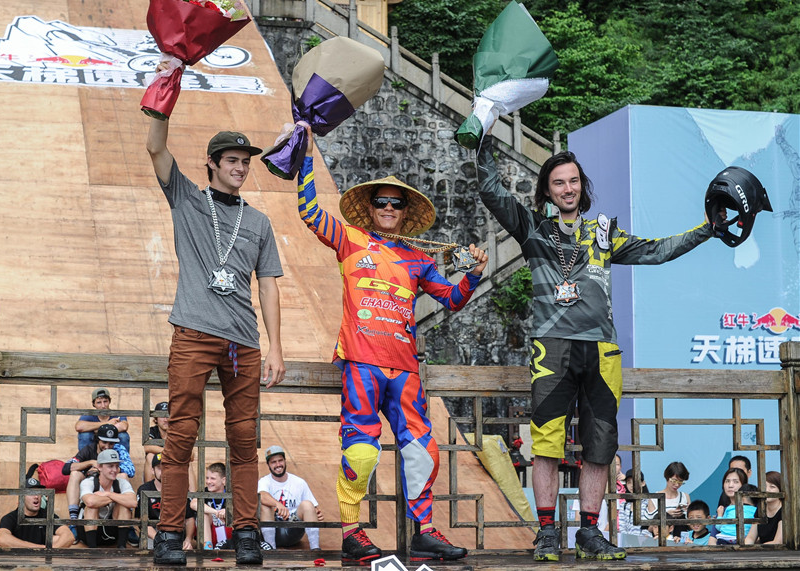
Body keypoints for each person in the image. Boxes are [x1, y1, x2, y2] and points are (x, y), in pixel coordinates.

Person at [476, 140, 716, 562]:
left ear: (581, 187)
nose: (567, 189)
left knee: (600, 446)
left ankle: (589, 532)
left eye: (573, 181)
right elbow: (493, 191)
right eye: (558, 183)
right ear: (547, 191)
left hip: (602, 352)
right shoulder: (532, 228)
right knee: (547, 445)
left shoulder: (604, 235)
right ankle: (547, 532)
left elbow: (656, 251)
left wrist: (706, 230)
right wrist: (483, 141)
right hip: (551, 349)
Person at [297, 128, 488, 563]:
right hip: (361, 364)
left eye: (395, 204)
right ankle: (350, 532)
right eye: (380, 202)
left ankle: (424, 531)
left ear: (405, 213)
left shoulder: (419, 259)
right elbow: (309, 210)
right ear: (370, 209)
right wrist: (307, 159)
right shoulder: (349, 238)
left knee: (423, 450)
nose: (387, 208)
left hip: (405, 369)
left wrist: (474, 274)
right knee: (361, 452)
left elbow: (452, 300)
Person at [146, 83, 286, 566]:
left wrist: (276, 348)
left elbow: (268, 285)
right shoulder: (185, 198)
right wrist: (164, 93)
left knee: (244, 439)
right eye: (231, 159)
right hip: (193, 332)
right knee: (180, 433)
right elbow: (155, 147)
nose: (240, 167)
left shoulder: (261, 222)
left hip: (243, 343)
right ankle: (168, 535)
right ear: (212, 162)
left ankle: (246, 534)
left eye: (246, 161)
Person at [63, 423, 134, 535]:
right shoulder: (89, 449)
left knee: (124, 476)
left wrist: (106, 469)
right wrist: (91, 463)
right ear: (97, 440)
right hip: (91, 485)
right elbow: (66, 468)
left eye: (111, 443)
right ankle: (73, 520)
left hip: (111, 487)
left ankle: (127, 524)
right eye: (104, 442)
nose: (107, 446)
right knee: (75, 474)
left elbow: (131, 470)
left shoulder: (119, 449)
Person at [257, 446, 324, 551]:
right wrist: (277, 504)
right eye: (273, 462)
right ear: (268, 465)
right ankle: (270, 549)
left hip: (294, 529)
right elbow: (262, 495)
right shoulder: (264, 481)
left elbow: (313, 507)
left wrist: (315, 512)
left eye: (280, 460)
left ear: (285, 461)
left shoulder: (299, 482)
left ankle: (315, 549)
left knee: (307, 504)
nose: (278, 465)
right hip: (274, 529)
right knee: (265, 505)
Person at [77, 449, 137, 548]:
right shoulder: (89, 482)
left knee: (124, 506)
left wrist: (108, 494)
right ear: (99, 467)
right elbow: (90, 502)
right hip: (88, 532)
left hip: (112, 532)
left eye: (117, 466)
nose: (115, 470)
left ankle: (122, 546)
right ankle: (92, 549)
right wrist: (117, 497)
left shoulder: (121, 482)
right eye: (110, 466)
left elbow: (133, 502)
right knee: (92, 507)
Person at [136, 453, 197, 549]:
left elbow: (189, 518)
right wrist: (158, 538)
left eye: (166, 468)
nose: (164, 472)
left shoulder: (180, 488)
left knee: (185, 551)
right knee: (150, 551)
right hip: (153, 532)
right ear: (152, 470)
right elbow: (141, 521)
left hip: (175, 531)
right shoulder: (144, 489)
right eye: (159, 468)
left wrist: (188, 539)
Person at [0, 476, 75, 549]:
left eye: (38, 492)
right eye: (31, 493)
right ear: (21, 498)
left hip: (43, 561)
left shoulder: (47, 515)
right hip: (19, 561)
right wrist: (39, 548)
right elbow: (1, 539)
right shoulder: (11, 517)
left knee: (57, 539)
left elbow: (69, 536)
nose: (36, 496)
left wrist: (49, 552)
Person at [76, 387, 130, 452]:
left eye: (105, 401)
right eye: (99, 402)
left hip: (112, 444)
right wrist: (108, 423)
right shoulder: (89, 415)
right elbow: (79, 427)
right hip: (95, 447)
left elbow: (123, 427)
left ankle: (123, 461)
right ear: (93, 404)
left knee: (123, 436)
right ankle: (86, 461)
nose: (103, 406)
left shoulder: (116, 413)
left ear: (109, 401)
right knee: (85, 435)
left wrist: (96, 429)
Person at [192, 462, 231, 550]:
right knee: (203, 513)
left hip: (227, 534)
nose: (208, 481)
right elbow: (193, 503)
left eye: (212, 478)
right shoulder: (204, 491)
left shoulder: (230, 492)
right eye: (207, 478)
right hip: (210, 534)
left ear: (224, 480)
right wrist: (215, 512)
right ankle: (207, 549)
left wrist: (228, 512)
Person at [650, 461, 691, 539]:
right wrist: (666, 515)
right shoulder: (655, 498)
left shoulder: (685, 497)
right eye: (674, 481)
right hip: (658, 541)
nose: (677, 485)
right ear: (667, 477)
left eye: (680, 482)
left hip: (679, 540)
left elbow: (691, 525)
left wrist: (686, 515)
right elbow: (648, 528)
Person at [715, 467, 754, 544]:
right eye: (727, 481)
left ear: (743, 485)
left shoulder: (753, 508)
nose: (730, 485)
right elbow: (712, 539)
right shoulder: (723, 509)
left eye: (736, 482)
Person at [746, 471, 782, 545]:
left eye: (772, 487)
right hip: (761, 551)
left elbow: (778, 542)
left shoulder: (784, 510)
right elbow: (751, 537)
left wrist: (758, 549)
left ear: (780, 490)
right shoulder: (761, 509)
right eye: (764, 486)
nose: (767, 490)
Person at [143, 401, 170, 482]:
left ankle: (193, 494)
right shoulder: (152, 430)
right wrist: (170, 452)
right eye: (162, 416)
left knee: (188, 463)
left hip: (174, 463)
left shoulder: (177, 432)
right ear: (156, 419)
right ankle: (149, 491)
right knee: (150, 456)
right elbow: (147, 447)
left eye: (168, 416)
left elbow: (191, 455)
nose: (165, 420)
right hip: (158, 463)